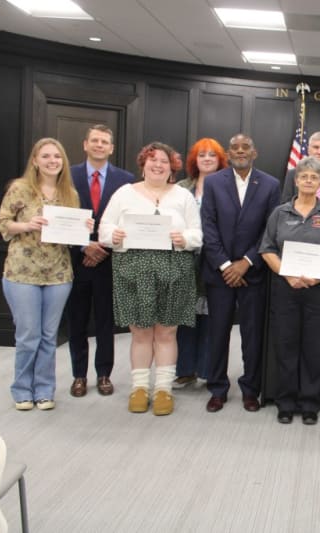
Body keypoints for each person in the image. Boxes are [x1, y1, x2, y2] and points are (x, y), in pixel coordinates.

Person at [99, 142, 202, 416]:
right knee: (141, 332)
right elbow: (104, 229)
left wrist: (185, 238)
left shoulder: (183, 196)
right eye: (152, 160)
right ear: (143, 164)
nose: (158, 165)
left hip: (174, 269)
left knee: (167, 332)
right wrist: (114, 235)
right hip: (133, 269)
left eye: (164, 162)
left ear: (172, 167)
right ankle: (140, 388)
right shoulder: (124, 194)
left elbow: (197, 234)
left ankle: (163, 390)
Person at [0, 138, 88, 411]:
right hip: (22, 272)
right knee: (28, 335)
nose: (52, 161)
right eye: (46, 156)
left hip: (59, 274)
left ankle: (45, 390)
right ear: (35, 160)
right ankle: (22, 389)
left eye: (57, 157)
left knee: (49, 336)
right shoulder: (20, 188)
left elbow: (72, 239)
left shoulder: (69, 193)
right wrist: (27, 224)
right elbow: (2, 223)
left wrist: (84, 228)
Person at [260, 156, 320, 425]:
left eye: (314, 177)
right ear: (296, 181)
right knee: (286, 346)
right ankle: (285, 403)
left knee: (314, 347)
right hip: (286, 288)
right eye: (304, 176)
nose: (309, 181)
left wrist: (319, 277)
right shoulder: (280, 213)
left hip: (318, 291)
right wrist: (288, 273)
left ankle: (310, 404)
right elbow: (267, 249)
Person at [200, 133, 280, 413]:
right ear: (228, 153)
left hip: (253, 273)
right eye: (234, 147)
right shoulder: (212, 182)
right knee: (218, 333)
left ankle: (250, 389)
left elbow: (270, 230)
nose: (240, 151)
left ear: (254, 152)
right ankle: (218, 389)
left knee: (252, 334)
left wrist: (247, 261)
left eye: (246, 147)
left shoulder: (270, 184)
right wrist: (225, 264)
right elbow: (207, 226)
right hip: (219, 274)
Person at [68, 124, 135, 398]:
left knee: (106, 321)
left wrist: (102, 245)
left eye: (104, 141)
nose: (99, 145)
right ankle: (79, 376)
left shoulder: (126, 179)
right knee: (77, 321)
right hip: (76, 258)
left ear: (111, 148)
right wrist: (85, 245)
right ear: (85, 144)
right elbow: (61, 215)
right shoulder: (67, 176)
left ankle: (104, 374)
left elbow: (127, 219)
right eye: (94, 140)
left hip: (109, 261)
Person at [172, 138, 228, 390]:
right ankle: (185, 370)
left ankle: (207, 370)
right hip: (184, 260)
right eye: (201, 155)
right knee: (185, 317)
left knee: (211, 318)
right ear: (194, 160)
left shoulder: (226, 187)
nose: (206, 159)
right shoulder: (181, 188)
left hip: (215, 260)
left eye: (212, 156)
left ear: (220, 161)